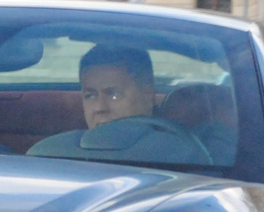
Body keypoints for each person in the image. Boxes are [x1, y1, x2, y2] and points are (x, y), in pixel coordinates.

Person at [28, 43, 211, 165]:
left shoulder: (187, 155)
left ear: (147, 93)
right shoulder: (59, 155)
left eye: (113, 94)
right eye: (90, 95)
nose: (100, 108)